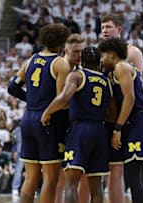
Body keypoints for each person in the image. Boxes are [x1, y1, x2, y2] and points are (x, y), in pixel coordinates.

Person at [7, 23, 71, 203]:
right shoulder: (60, 64)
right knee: (50, 179)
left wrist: (32, 100)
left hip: (28, 119)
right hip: (47, 120)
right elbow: (61, 100)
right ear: (61, 43)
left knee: (30, 177)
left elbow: (12, 87)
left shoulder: (32, 60)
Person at [41, 47, 111, 203]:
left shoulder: (77, 76)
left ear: (82, 61)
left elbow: (64, 97)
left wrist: (47, 112)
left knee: (71, 183)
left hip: (80, 129)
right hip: (100, 130)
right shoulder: (106, 81)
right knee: (96, 187)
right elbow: (111, 111)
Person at [100, 14, 143, 203]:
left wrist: (118, 127)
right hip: (121, 117)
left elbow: (133, 92)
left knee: (136, 171)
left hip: (135, 115)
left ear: (119, 29)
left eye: (108, 27)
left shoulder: (129, 56)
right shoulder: (104, 57)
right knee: (121, 170)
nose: (104, 30)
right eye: (102, 27)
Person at [54, 34, 90, 203]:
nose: (80, 55)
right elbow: (61, 100)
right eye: (76, 52)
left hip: (72, 126)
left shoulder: (79, 71)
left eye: (82, 52)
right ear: (66, 50)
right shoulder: (60, 67)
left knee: (79, 173)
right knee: (58, 176)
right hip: (57, 124)